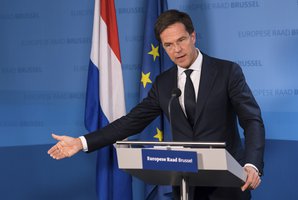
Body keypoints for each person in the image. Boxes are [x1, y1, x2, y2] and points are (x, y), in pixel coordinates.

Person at [48, 9, 265, 200]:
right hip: (186, 186)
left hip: (227, 186)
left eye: (181, 40)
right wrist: (81, 142)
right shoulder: (164, 83)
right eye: (168, 45)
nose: (176, 50)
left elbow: (251, 119)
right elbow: (131, 122)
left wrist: (251, 164)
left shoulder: (227, 72)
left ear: (193, 36)